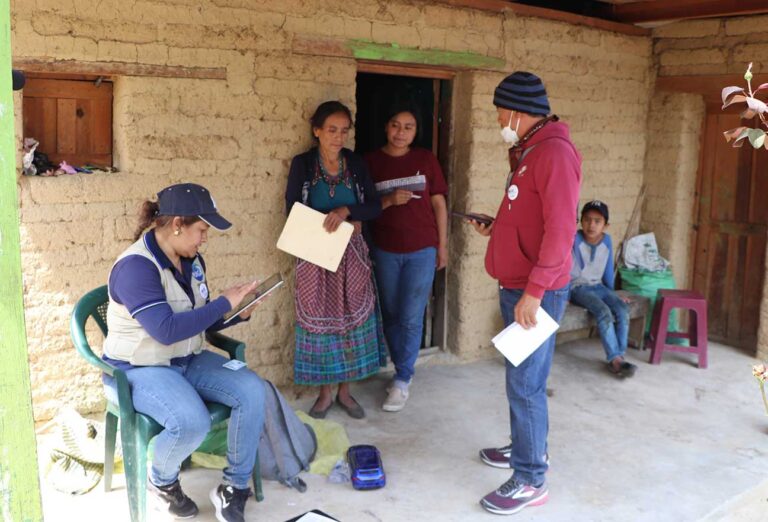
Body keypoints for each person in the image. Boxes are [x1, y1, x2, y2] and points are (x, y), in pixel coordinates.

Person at [102, 183, 266, 522]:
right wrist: (224, 301)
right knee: (192, 422)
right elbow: (165, 330)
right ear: (177, 224)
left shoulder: (191, 260)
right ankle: (161, 482)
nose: (204, 239)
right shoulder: (136, 267)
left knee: (252, 389)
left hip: (186, 359)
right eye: (201, 230)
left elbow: (197, 319)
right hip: (138, 369)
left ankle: (234, 488)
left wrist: (235, 314)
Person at [468, 71, 581, 515]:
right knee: (523, 377)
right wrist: (498, 230)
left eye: (501, 111)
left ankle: (531, 478)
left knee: (526, 384)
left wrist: (534, 293)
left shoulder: (554, 153)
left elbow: (561, 230)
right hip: (520, 284)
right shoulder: (531, 149)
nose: (499, 119)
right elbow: (532, 216)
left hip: (537, 291)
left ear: (518, 111)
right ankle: (525, 448)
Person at [285, 100, 386, 420]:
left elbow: (374, 206)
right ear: (317, 131)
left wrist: (347, 212)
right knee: (320, 325)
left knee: (351, 324)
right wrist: (322, 223)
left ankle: (345, 391)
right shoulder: (303, 165)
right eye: (332, 130)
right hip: (315, 256)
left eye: (344, 131)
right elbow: (291, 208)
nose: (338, 137)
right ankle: (325, 393)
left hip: (351, 256)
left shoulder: (355, 163)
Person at [364, 101, 448, 412]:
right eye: (396, 125)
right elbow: (365, 207)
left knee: (412, 316)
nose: (401, 132)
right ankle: (402, 368)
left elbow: (439, 204)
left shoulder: (425, 159)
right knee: (390, 312)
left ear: (416, 132)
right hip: (385, 250)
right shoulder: (370, 161)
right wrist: (388, 200)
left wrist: (442, 245)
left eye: (408, 127)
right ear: (386, 127)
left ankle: (402, 378)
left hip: (422, 249)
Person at [570, 200, 637, 377]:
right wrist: (564, 295)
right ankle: (615, 360)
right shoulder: (575, 238)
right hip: (578, 288)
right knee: (603, 312)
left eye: (597, 221)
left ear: (605, 225)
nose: (591, 225)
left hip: (599, 287)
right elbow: (565, 268)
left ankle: (619, 355)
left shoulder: (606, 240)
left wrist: (613, 295)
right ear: (581, 221)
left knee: (622, 309)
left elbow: (607, 272)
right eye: (587, 220)